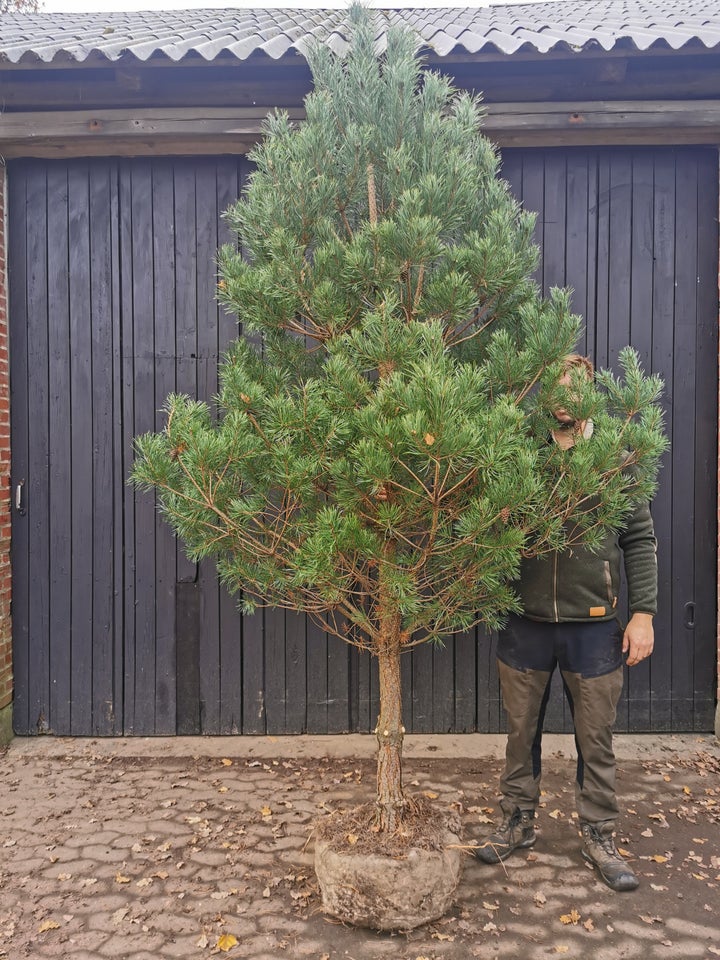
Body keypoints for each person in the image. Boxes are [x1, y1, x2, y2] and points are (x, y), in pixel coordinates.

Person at [475, 354, 657, 893]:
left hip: (595, 627)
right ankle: (518, 821)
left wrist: (642, 614)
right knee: (519, 732)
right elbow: (485, 524)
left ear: (591, 395)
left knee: (595, 737)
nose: (563, 398)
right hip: (525, 624)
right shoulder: (520, 457)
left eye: (574, 388)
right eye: (555, 387)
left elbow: (639, 542)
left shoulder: (615, 460)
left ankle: (599, 831)